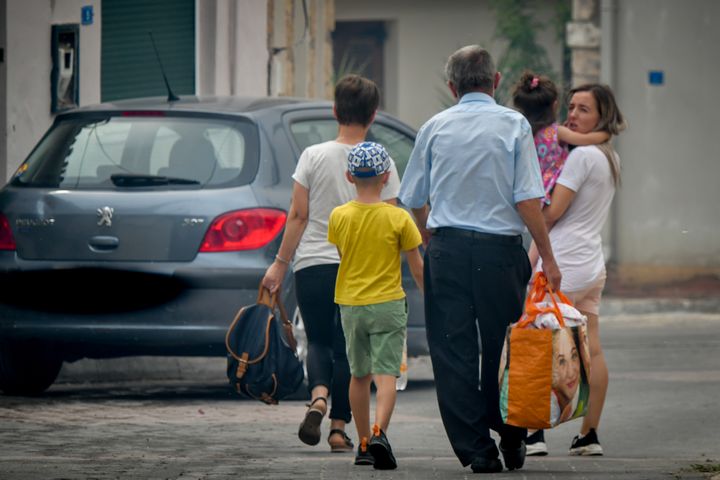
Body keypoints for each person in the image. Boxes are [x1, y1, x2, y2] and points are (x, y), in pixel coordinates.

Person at [398, 45, 562, 474]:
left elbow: (413, 197)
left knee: (452, 351)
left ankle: (476, 449)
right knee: (506, 347)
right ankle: (510, 434)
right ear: (495, 81)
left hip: (448, 249)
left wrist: (431, 235)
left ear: (451, 87)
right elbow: (527, 199)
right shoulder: (513, 125)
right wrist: (547, 256)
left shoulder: (433, 127)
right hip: (500, 253)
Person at [260, 75, 401, 453]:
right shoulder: (381, 161)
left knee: (319, 340)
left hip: (312, 265)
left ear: (335, 111)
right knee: (349, 351)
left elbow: (298, 216)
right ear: (373, 115)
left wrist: (279, 264)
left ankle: (319, 396)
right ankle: (339, 429)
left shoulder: (312, 155)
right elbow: (388, 222)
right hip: (359, 269)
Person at [531, 83, 627, 457]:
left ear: (602, 116)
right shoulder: (609, 157)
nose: (572, 114)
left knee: (541, 344)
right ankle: (589, 435)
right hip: (591, 263)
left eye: (584, 109)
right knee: (594, 350)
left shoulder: (582, 157)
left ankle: (533, 435)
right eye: (570, 107)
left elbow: (551, 213)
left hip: (565, 262)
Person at [327, 141, 424, 470]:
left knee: (358, 375)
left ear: (348, 177)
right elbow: (417, 267)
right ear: (386, 177)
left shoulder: (338, 217)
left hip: (351, 306)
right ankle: (381, 432)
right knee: (385, 375)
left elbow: (344, 258)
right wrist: (430, 296)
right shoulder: (399, 218)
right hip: (388, 303)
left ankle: (364, 442)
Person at [511, 71, 610, 205]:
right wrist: (606, 133)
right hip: (546, 188)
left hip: (527, 189)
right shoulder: (557, 132)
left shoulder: (522, 132)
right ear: (555, 105)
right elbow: (585, 140)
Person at [550, 327, 590, 425]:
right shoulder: (550, 408)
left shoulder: (582, 390)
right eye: (562, 361)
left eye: (574, 355)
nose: (571, 372)